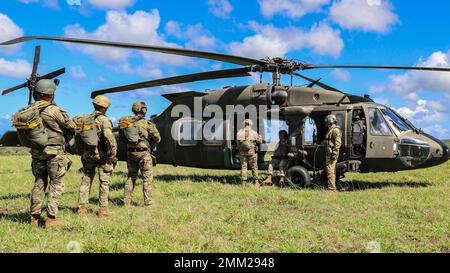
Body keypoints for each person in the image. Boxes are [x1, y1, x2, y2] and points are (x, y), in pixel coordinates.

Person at [27, 79, 76, 228]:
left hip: (37, 153)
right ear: (51, 94)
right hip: (54, 153)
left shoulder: (29, 110)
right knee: (56, 184)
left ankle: (34, 218)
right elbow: (71, 126)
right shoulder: (54, 110)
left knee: (39, 182)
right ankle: (51, 218)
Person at [77, 95, 117, 217]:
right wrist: (113, 152)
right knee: (104, 181)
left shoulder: (86, 119)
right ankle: (103, 209)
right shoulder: (104, 120)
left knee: (86, 179)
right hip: (102, 155)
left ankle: (81, 208)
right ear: (105, 107)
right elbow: (109, 136)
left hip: (88, 154)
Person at [123, 101, 161, 208]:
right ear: (143, 110)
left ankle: (126, 202)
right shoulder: (147, 124)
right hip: (143, 153)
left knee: (131, 177)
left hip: (130, 152)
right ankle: (148, 203)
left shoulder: (127, 123)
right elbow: (158, 139)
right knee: (147, 178)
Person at [236, 119, 262, 187]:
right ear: (251, 124)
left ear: (244, 124)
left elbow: (238, 143)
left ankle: (243, 182)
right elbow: (259, 142)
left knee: (243, 167)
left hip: (242, 153)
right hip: (251, 152)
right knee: (254, 167)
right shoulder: (254, 132)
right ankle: (256, 182)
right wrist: (260, 138)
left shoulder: (239, 132)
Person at [324, 114, 342, 192]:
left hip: (331, 154)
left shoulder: (335, 130)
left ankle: (331, 189)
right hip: (329, 153)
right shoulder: (331, 129)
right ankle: (333, 186)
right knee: (331, 170)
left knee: (330, 171)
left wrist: (334, 153)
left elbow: (338, 143)